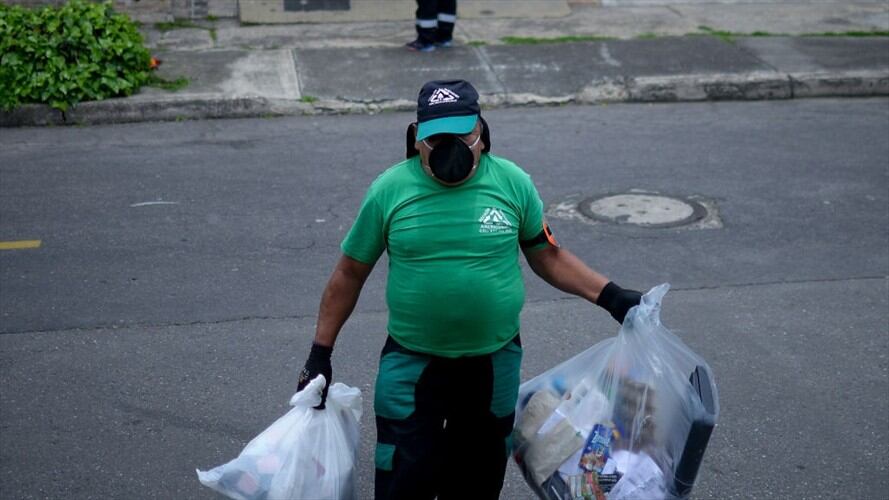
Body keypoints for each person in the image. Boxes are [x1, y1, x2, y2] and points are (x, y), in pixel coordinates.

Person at [297, 79, 643, 499]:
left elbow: (547, 256)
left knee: (477, 479)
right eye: (436, 137)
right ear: (416, 137)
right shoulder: (390, 190)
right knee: (404, 479)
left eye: (461, 134)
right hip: (412, 365)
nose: (450, 146)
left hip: (492, 365)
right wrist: (320, 354)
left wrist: (611, 296)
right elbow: (349, 274)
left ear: (481, 132)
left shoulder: (512, 182)